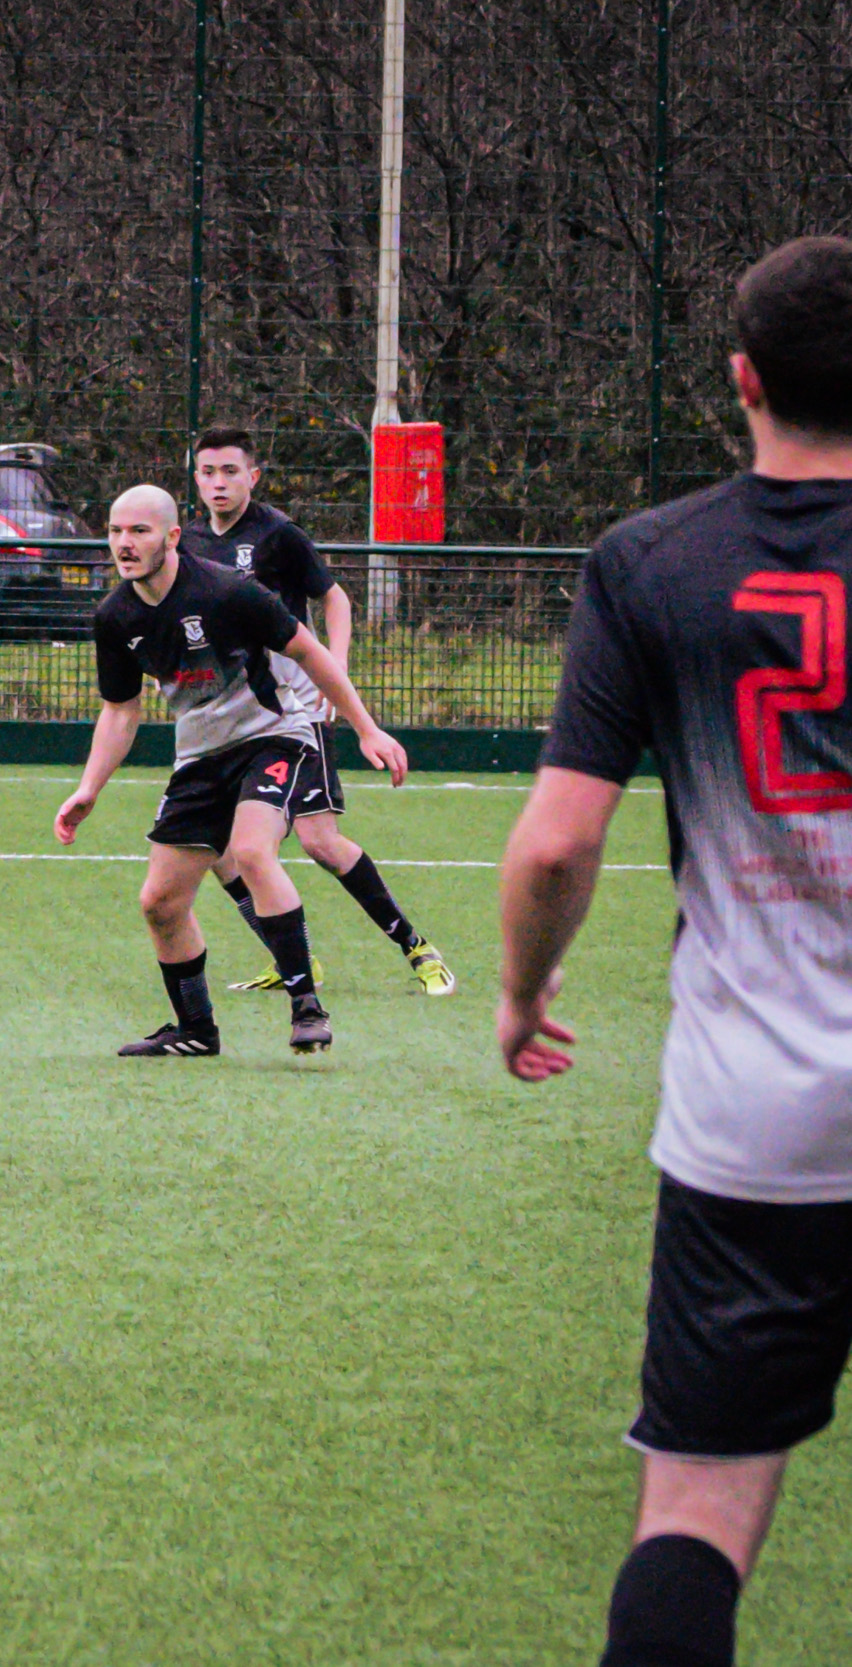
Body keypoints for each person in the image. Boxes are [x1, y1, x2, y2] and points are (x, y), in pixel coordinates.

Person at [496, 235, 852, 1667]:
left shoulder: (651, 562)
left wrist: (522, 989)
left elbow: (556, 846)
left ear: (742, 379)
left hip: (756, 1117)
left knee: (696, 1512)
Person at [55, 485, 407, 1058]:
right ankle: (196, 1030)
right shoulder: (115, 616)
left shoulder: (227, 590)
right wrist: (89, 787)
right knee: (160, 903)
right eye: (116, 531)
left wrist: (365, 727)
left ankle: (307, 1007)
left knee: (250, 850)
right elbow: (122, 709)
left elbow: (309, 652)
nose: (124, 543)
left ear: (171, 537)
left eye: (139, 531)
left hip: (274, 735)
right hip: (200, 756)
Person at [180, 428, 455, 996]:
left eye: (231, 471)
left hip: (294, 712)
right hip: (233, 716)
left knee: (321, 843)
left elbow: (335, 598)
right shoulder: (191, 544)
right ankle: (295, 961)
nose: (218, 482)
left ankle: (418, 949)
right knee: (217, 849)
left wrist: (337, 671)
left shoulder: (278, 534)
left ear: (253, 476)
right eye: (208, 472)